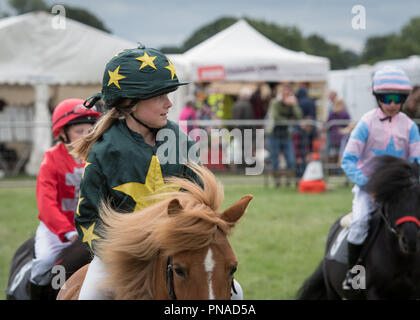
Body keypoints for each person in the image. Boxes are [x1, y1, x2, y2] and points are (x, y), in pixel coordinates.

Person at [71, 44, 243, 300]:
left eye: (169, 95)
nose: (169, 104)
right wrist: (120, 255)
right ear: (130, 102)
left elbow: (201, 208)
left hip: (178, 253)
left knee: (237, 294)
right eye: (159, 96)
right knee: (89, 296)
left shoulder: (182, 142)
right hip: (120, 259)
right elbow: (88, 217)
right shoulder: (104, 150)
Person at [341, 65, 420, 290]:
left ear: (404, 99)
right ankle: (354, 275)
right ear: (378, 98)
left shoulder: (410, 127)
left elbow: (418, 161)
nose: (392, 103)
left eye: (398, 99)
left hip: (403, 192)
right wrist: (368, 186)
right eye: (387, 98)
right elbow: (348, 160)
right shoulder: (366, 123)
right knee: (358, 224)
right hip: (370, 189)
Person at [30, 98, 101, 299]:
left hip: (91, 228)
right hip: (58, 230)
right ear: (62, 133)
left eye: (90, 131)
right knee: (45, 263)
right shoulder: (51, 159)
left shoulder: (99, 156)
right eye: (79, 131)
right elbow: (46, 205)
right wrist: (68, 232)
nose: (86, 136)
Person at [265, 84, 302, 187]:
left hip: (287, 135)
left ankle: (288, 182)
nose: (287, 95)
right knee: (275, 160)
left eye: (289, 93)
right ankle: (277, 183)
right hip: (274, 135)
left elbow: (299, 117)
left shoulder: (292, 104)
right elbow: (276, 117)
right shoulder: (275, 103)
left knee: (291, 160)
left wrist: (294, 104)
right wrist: (289, 122)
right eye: (285, 93)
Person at [326, 98, 351, 169]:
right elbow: (349, 124)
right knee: (341, 153)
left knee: (333, 154)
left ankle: (332, 170)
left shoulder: (332, 113)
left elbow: (328, 124)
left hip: (333, 137)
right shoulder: (345, 113)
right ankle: (340, 169)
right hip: (343, 137)